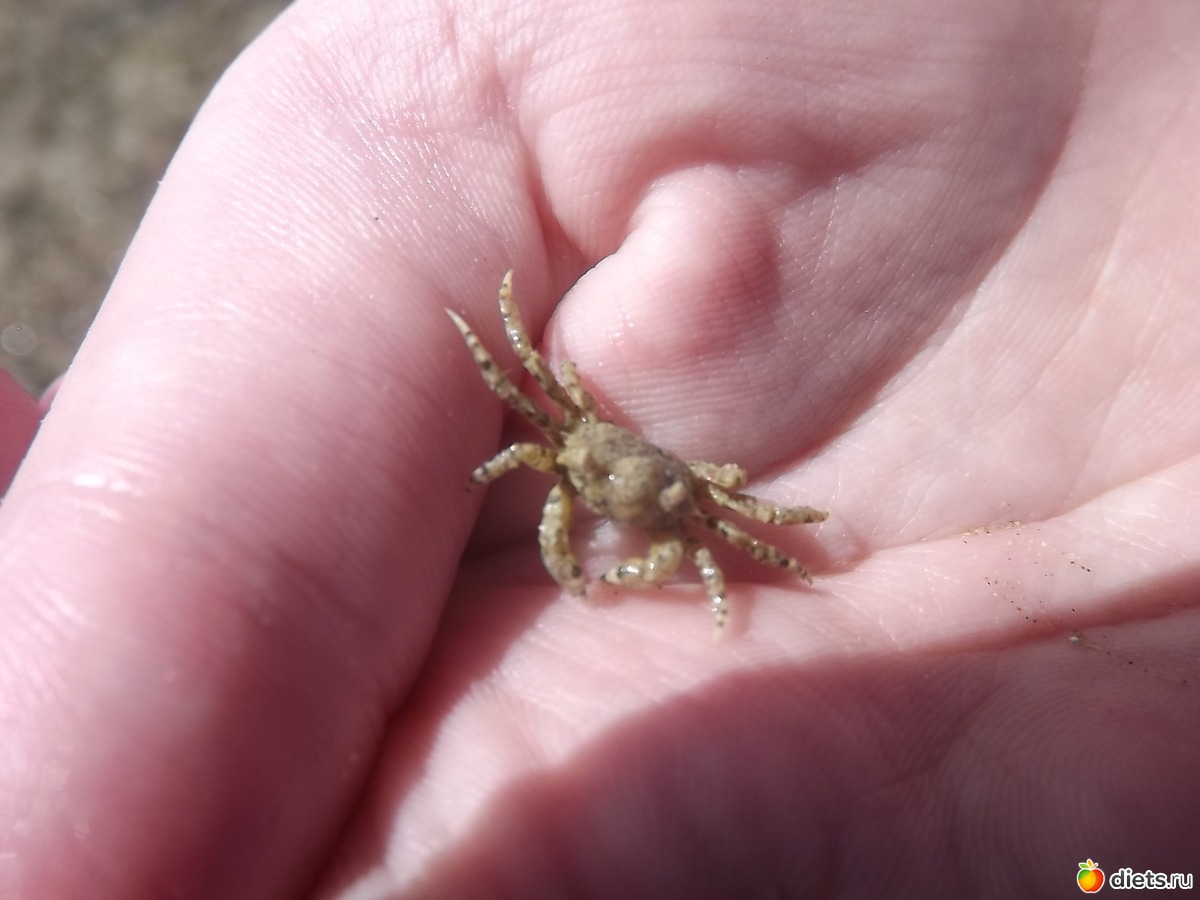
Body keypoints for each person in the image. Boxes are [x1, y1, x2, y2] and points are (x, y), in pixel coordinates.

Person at [1, 1, 1197, 896]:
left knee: (725, 544)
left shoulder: (693, 511)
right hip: (616, 454)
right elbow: (517, 374)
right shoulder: (572, 436)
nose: (588, 498)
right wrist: (498, 421)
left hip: (672, 486)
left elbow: (737, 533)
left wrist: (715, 573)